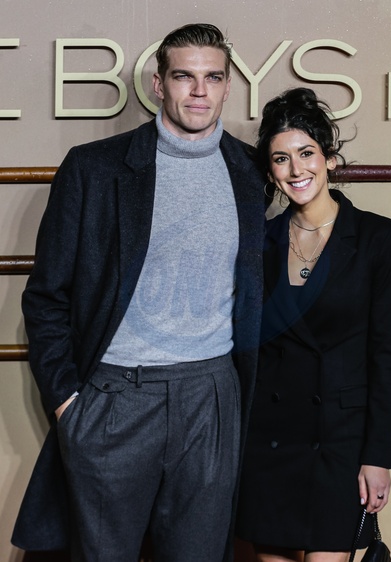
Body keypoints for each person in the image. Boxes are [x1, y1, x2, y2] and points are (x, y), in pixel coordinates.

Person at [12, 23, 265, 562]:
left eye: (213, 77)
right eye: (184, 76)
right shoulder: (94, 167)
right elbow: (47, 296)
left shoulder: (250, 170)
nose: (199, 91)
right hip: (114, 399)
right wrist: (68, 405)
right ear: (158, 84)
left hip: (211, 397)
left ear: (228, 86)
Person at [236, 88, 391, 562]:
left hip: (340, 441)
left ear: (330, 159)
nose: (296, 170)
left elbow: (389, 357)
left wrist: (378, 456)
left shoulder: (378, 237)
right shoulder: (259, 241)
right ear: (270, 171)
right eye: (281, 159)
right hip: (269, 440)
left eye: (306, 153)